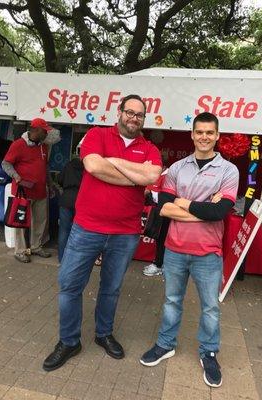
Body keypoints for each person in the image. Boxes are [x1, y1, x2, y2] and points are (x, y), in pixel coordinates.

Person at [43, 94, 162, 371]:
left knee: (111, 288)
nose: (134, 118)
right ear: (119, 112)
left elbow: (151, 177)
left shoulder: (150, 148)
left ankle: (103, 334)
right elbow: (93, 166)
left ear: (144, 119)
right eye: (129, 112)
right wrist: (134, 175)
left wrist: (114, 162)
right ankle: (69, 341)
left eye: (139, 115)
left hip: (125, 233)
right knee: (70, 286)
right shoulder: (97, 134)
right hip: (87, 228)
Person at [140, 112, 239, 388]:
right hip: (174, 250)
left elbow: (220, 211)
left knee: (210, 308)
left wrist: (185, 205)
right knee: (172, 301)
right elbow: (164, 207)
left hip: (208, 253)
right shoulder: (177, 168)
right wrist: (202, 208)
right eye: (200, 132)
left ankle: (208, 352)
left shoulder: (229, 171)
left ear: (217, 136)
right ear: (192, 135)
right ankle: (165, 344)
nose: (204, 137)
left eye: (210, 132)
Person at [2, 118, 53, 263]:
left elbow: (45, 167)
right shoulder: (19, 144)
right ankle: (20, 251)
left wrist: (50, 184)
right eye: (45, 131)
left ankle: (36, 246)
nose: (46, 134)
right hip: (22, 192)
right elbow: (6, 163)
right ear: (36, 130)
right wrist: (16, 176)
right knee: (20, 222)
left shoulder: (44, 146)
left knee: (41, 221)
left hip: (40, 191)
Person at [143, 164, 169, 276]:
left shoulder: (168, 176)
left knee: (163, 239)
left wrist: (150, 193)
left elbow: (166, 196)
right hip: (158, 211)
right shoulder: (156, 175)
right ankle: (159, 264)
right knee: (160, 239)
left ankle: (159, 265)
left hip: (166, 212)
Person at [57, 157, 83, 262]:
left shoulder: (68, 165)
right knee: (79, 231)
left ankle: (61, 258)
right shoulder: (87, 167)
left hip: (66, 199)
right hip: (81, 200)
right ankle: (74, 259)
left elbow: (60, 179)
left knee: (64, 230)